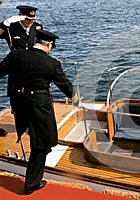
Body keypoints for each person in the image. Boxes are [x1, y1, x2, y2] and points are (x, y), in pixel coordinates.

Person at [0, 29, 78, 195]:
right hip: (39, 107)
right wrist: (76, 98)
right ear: (49, 45)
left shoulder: (16, 55)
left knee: (39, 137)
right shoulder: (52, 64)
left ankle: (37, 151)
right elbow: (64, 85)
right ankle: (32, 184)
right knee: (42, 144)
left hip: (19, 104)